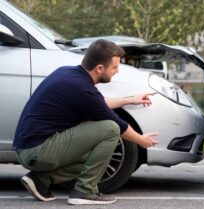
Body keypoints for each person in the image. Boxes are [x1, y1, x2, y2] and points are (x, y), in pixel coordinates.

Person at [13, 39, 159, 205]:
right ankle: (84, 192)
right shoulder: (82, 88)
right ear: (100, 68)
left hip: (29, 148)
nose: (117, 71)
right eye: (115, 67)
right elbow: (117, 124)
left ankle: (41, 180)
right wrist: (141, 140)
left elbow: (98, 102)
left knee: (96, 157)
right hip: (38, 151)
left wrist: (131, 100)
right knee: (110, 129)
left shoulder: (68, 73)